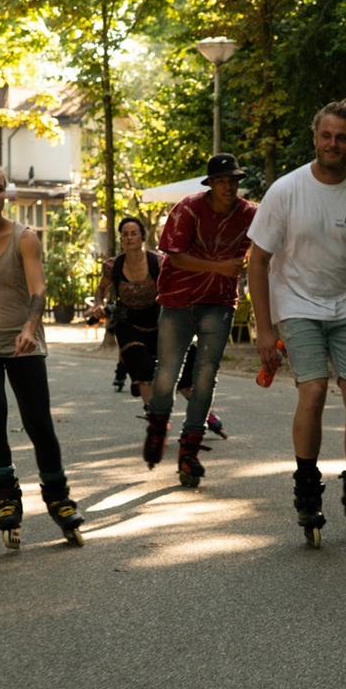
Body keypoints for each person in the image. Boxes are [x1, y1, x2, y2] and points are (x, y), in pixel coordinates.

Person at [246, 99, 346, 548]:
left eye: (342, 137)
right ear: (315, 136)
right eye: (326, 135)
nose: (333, 144)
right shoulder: (286, 191)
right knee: (312, 391)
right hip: (296, 304)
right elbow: (258, 260)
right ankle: (307, 491)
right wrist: (263, 328)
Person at [0, 163, 84, 549]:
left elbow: (38, 289)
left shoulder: (24, 238)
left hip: (22, 338)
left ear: (5, 194)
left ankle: (58, 497)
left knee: (38, 420)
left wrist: (29, 328)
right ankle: (6, 496)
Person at [143, 153, 257, 486]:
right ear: (210, 185)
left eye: (233, 181)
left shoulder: (250, 214)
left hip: (218, 303)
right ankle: (157, 426)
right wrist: (221, 267)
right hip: (178, 302)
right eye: (222, 181)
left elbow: (270, 243)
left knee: (206, 376)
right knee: (167, 372)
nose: (229, 187)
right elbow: (175, 258)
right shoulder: (189, 209)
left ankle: (189, 451)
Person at [88, 216, 161, 406]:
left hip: (156, 321)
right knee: (144, 367)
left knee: (175, 371)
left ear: (142, 237)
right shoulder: (113, 266)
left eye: (134, 234)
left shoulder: (158, 262)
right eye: (125, 235)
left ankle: (205, 416)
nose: (129, 238)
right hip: (128, 323)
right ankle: (153, 415)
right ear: (121, 239)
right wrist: (98, 305)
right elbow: (100, 290)